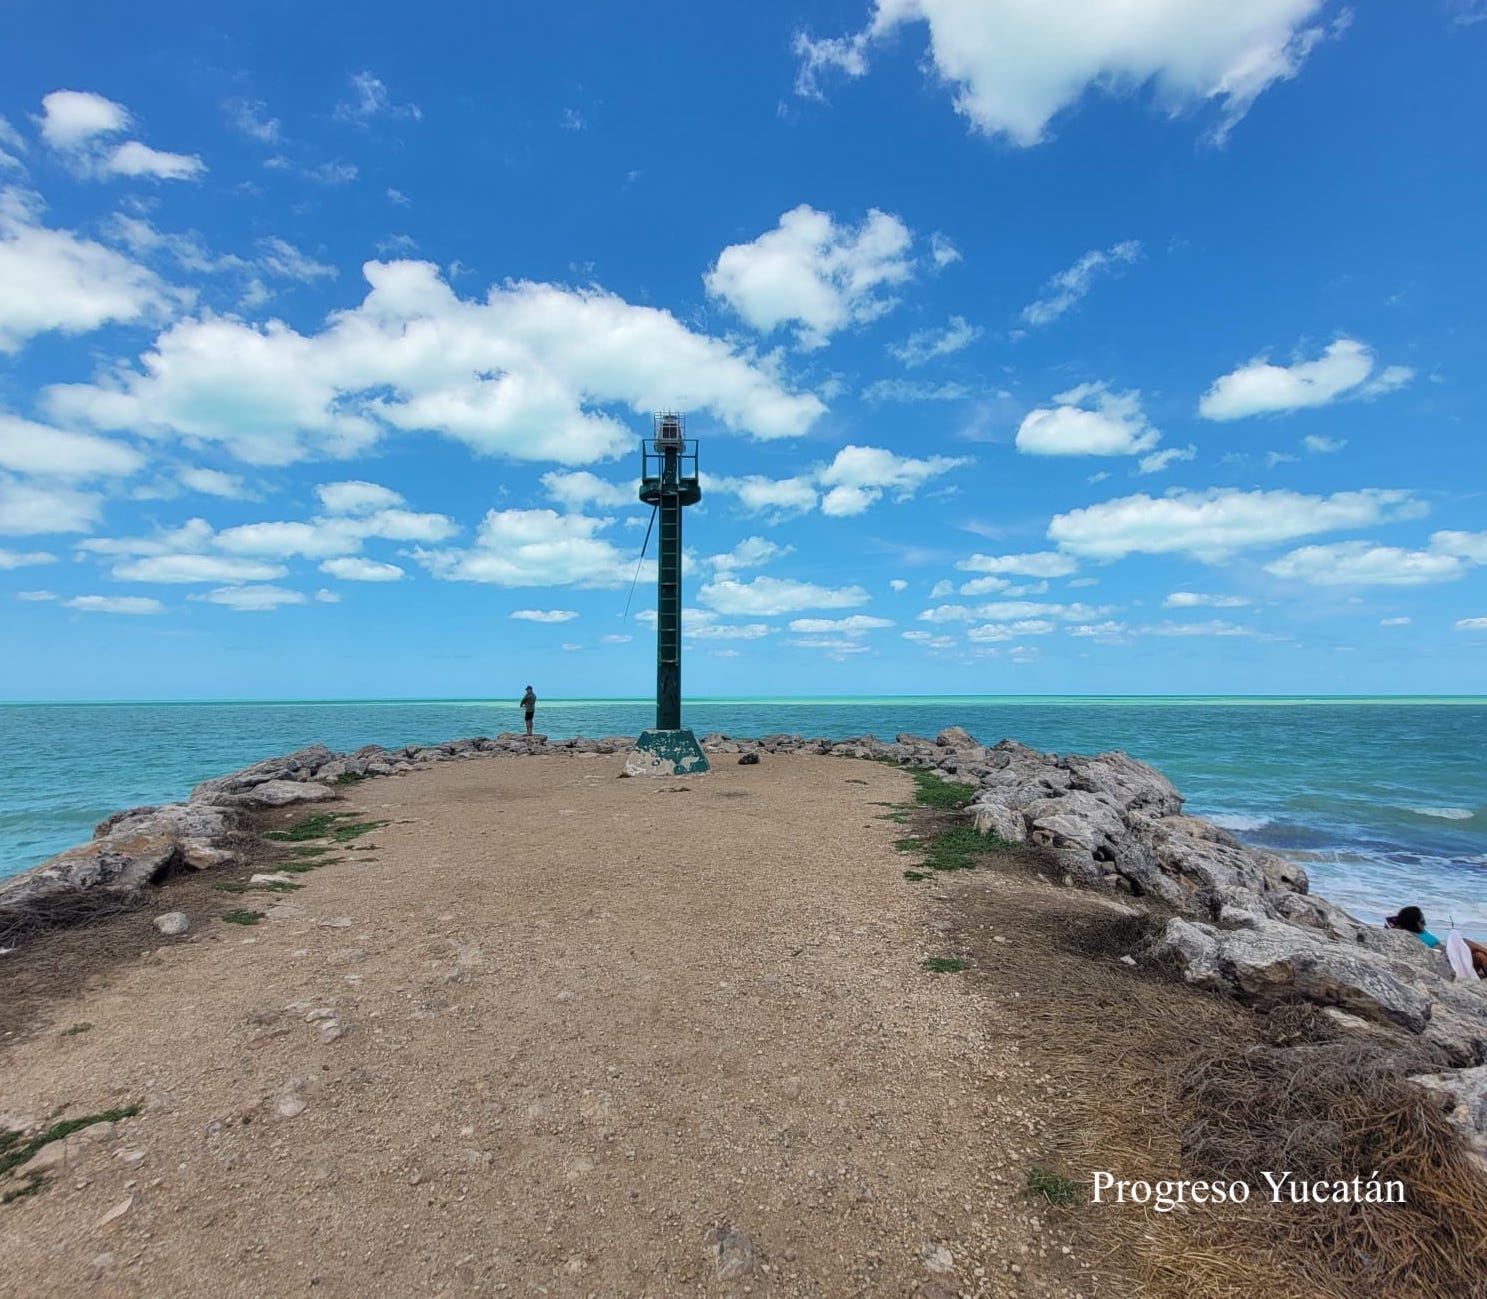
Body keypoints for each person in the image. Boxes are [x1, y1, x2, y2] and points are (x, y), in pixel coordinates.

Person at [1386, 905, 1487, 977]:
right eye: (1422, 921)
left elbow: (1394, 920)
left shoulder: (1420, 930)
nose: (1424, 924)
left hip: (1451, 958)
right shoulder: (1410, 936)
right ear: (1413, 923)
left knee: (1478, 954)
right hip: (1445, 963)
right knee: (1470, 946)